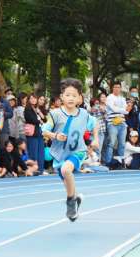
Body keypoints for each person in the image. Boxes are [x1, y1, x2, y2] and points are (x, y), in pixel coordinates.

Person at [42, 78, 99, 222]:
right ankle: (75, 200)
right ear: (62, 97)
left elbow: (95, 123)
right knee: (66, 180)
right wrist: (55, 135)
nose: (71, 98)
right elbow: (44, 130)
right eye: (67, 95)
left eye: (74, 95)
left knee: (66, 170)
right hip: (60, 154)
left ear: (80, 97)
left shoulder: (84, 114)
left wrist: (96, 138)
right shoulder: (55, 114)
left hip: (78, 152)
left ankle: (70, 203)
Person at [104, 82, 131, 166]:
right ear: (112, 88)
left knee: (122, 144)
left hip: (122, 123)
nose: (117, 88)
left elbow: (126, 111)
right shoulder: (109, 97)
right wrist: (122, 109)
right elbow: (114, 109)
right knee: (111, 143)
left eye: (118, 87)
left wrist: (123, 109)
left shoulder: (122, 98)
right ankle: (108, 162)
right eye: (115, 87)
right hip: (112, 123)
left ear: (120, 88)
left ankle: (120, 163)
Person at [24, 94, 45, 174]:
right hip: (32, 133)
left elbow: (45, 119)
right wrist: (39, 121)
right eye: (31, 98)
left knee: (40, 151)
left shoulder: (37, 109)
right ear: (29, 100)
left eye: (35, 98)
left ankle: (40, 169)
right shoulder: (27, 109)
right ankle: (33, 169)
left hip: (39, 132)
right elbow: (30, 119)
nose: (33, 100)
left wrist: (39, 112)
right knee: (33, 152)